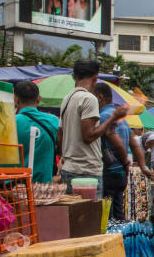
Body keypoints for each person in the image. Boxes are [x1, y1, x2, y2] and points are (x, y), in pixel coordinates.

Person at [57, 59, 127, 196]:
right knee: (91, 216)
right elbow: (88, 136)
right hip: (87, 172)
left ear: (74, 76)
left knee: (74, 216)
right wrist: (113, 117)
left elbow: (60, 134)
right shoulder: (89, 98)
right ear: (96, 78)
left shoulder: (67, 99)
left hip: (69, 168)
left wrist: (64, 155)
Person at [94, 82, 133, 221]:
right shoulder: (121, 118)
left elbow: (115, 142)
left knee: (108, 215)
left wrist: (125, 162)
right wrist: (126, 164)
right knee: (118, 211)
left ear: (99, 97)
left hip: (111, 170)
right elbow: (132, 141)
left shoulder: (104, 116)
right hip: (120, 172)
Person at [13, 80, 59, 184]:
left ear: (15, 100)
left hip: (17, 188)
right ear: (38, 99)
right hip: (44, 188)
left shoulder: (10, 122)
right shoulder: (54, 121)